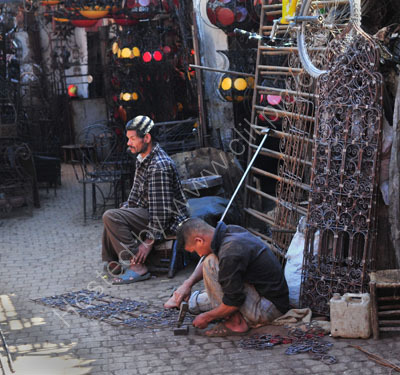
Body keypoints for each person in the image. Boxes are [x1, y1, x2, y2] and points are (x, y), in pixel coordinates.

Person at [164, 218, 289, 336]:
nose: (199, 254)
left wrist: (207, 317)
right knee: (210, 269)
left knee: (210, 263)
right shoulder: (230, 231)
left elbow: (233, 301)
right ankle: (184, 301)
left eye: (195, 251)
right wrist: (187, 284)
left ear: (199, 241)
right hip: (260, 295)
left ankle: (236, 323)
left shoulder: (230, 252)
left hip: (269, 309)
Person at [102, 115, 188, 284]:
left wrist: (148, 242)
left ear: (146, 138)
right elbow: (134, 196)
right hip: (149, 212)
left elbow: (162, 213)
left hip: (168, 220)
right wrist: (125, 209)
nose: (129, 143)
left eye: (132, 139)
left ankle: (137, 267)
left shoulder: (159, 166)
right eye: (128, 139)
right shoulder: (143, 159)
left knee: (111, 216)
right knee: (115, 214)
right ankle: (113, 262)